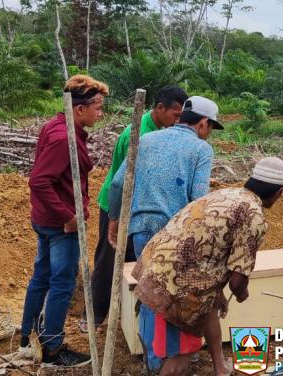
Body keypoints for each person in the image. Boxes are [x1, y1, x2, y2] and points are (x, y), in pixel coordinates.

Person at [132, 157, 283, 376]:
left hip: (156, 265)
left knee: (209, 306)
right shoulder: (254, 215)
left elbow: (209, 251)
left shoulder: (227, 194)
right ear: (279, 191)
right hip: (179, 283)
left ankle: (220, 368)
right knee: (184, 353)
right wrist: (241, 293)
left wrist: (217, 293)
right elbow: (237, 279)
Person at [107, 96, 222, 374]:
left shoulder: (147, 140)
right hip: (176, 235)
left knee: (149, 294)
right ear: (203, 123)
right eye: (210, 127)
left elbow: (119, 182)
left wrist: (114, 218)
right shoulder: (200, 149)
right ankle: (173, 361)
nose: (209, 133)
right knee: (178, 296)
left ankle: (153, 361)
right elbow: (198, 200)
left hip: (141, 229)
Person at [20, 74, 108, 366]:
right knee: (61, 283)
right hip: (60, 225)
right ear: (79, 109)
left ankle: (27, 336)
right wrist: (68, 217)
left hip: (45, 219)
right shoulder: (63, 138)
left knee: (42, 277)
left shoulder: (56, 127)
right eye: (97, 106)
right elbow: (39, 181)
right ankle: (53, 348)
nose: (100, 112)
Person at [86, 86, 189, 332]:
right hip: (118, 203)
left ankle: (125, 317)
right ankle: (93, 317)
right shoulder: (139, 133)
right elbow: (121, 181)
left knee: (132, 262)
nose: (178, 121)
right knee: (109, 260)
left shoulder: (162, 130)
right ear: (159, 108)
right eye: (175, 115)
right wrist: (116, 215)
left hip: (139, 207)